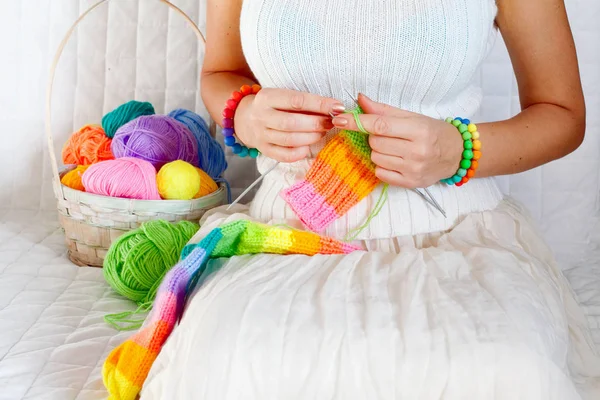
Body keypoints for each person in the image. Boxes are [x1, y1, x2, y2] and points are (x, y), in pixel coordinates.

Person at [141, 0, 600, 398]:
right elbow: (222, 72)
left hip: (457, 236)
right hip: (285, 236)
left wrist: (456, 150)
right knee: (235, 365)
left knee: (504, 372)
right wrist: (244, 115)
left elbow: (562, 113)